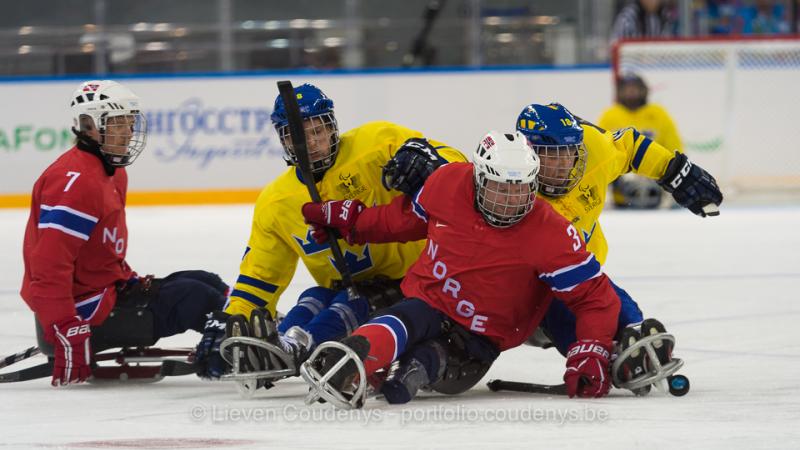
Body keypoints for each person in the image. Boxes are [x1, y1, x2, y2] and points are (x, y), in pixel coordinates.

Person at [373, 102, 721, 402]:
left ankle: (629, 339)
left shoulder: (594, 150)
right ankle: (599, 351)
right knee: (563, 305)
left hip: (577, 272)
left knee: (613, 312)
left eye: (569, 153)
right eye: (549, 157)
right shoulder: (509, 190)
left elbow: (629, 146)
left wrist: (674, 171)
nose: (562, 165)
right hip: (516, 296)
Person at [300, 130, 623, 408]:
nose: (511, 199)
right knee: (400, 319)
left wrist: (591, 350)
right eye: (501, 187)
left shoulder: (552, 233)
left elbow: (595, 296)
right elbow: (401, 221)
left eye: (521, 187)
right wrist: (352, 224)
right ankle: (354, 355)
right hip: (429, 299)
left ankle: (407, 372)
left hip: (480, 338)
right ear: (479, 176)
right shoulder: (447, 182)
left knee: (420, 366)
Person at [193, 83, 467, 381]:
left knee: (345, 304)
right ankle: (280, 344)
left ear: (332, 127)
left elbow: (456, 165)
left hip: (414, 284)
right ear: (283, 139)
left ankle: (299, 346)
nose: (310, 143)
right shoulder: (276, 202)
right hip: (349, 292)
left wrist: (430, 163)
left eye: (317, 131)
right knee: (313, 297)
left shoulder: (377, 143)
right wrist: (227, 321)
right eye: (296, 135)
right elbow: (260, 278)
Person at [20, 80, 229, 387]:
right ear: (90, 125)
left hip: (104, 292)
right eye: (119, 123)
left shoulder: (113, 170)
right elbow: (48, 266)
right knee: (196, 297)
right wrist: (64, 327)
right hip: (82, 313)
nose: (129, 132)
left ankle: (240, 327)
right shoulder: (76, 182)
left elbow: (101, 253)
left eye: (130, 122)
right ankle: (237, 343)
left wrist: (124, 278)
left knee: (205, 280)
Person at [599, 73, 683, 209]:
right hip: (620, 188)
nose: (631, 92)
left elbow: (675, 148)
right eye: (627, 88)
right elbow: (601, 152)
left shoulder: (658, 113)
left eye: (635, 88)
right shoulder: (610, 115)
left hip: (655, 180)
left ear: (644, 90)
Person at [610, 0, 677, 44]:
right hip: (632, 64)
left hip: (659, 64)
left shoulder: (664, 16)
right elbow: (615, 48)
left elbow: (668, 46)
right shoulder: (627, 18)